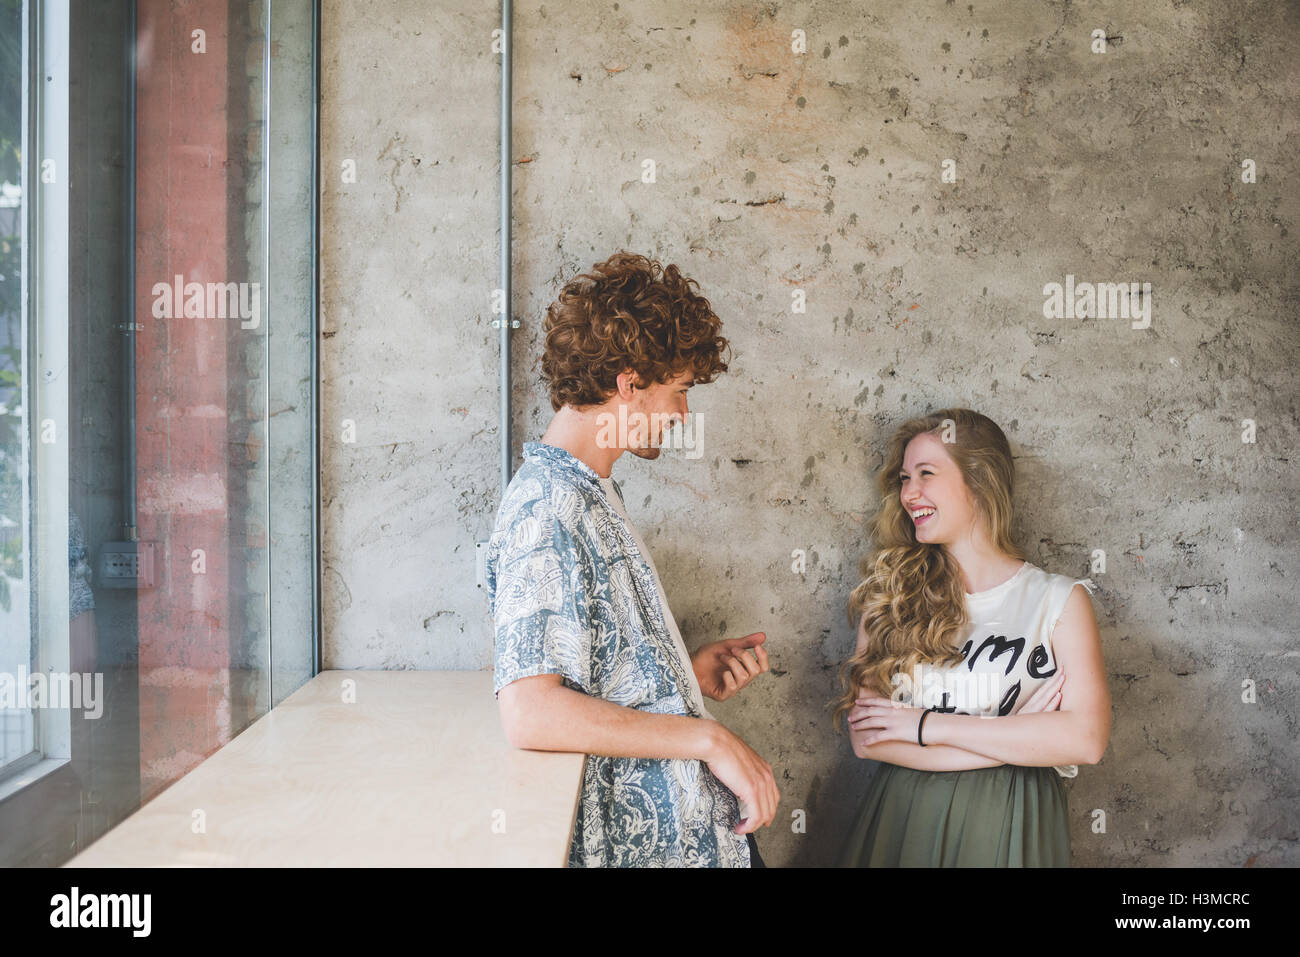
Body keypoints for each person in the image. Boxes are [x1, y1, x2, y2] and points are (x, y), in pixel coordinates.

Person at [485, 251, 779, 867]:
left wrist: (679, 677)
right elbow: (531, 711)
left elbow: (587, 680)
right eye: (679, 391)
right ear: (629, 382)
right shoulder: (548, 509)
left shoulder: (587, 491)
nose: (682, 415)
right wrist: (708, 738)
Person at [833, 408, 1111, 866]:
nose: (909, 493)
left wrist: (925, 726)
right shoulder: (890, 596)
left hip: (1010, 822)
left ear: (980, 481)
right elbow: (869, 740)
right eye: (904, 478)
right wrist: (1014, 740)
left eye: (926, 474)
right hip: (905, 820)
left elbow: (1086, 740)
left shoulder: (1059, 601)